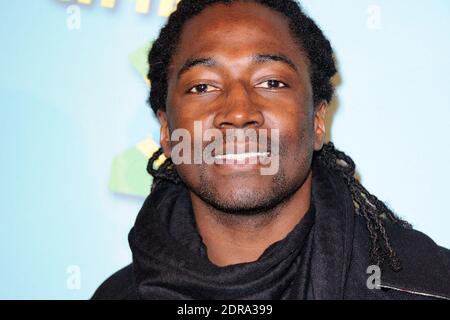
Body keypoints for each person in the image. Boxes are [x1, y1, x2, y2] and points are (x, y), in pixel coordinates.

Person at [92, 0, 450, 300]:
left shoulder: (426, 286)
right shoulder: (118, 295)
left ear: (318, 122)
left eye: (271, 82)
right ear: (168, 132)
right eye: (203, 87)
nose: (238, 112)